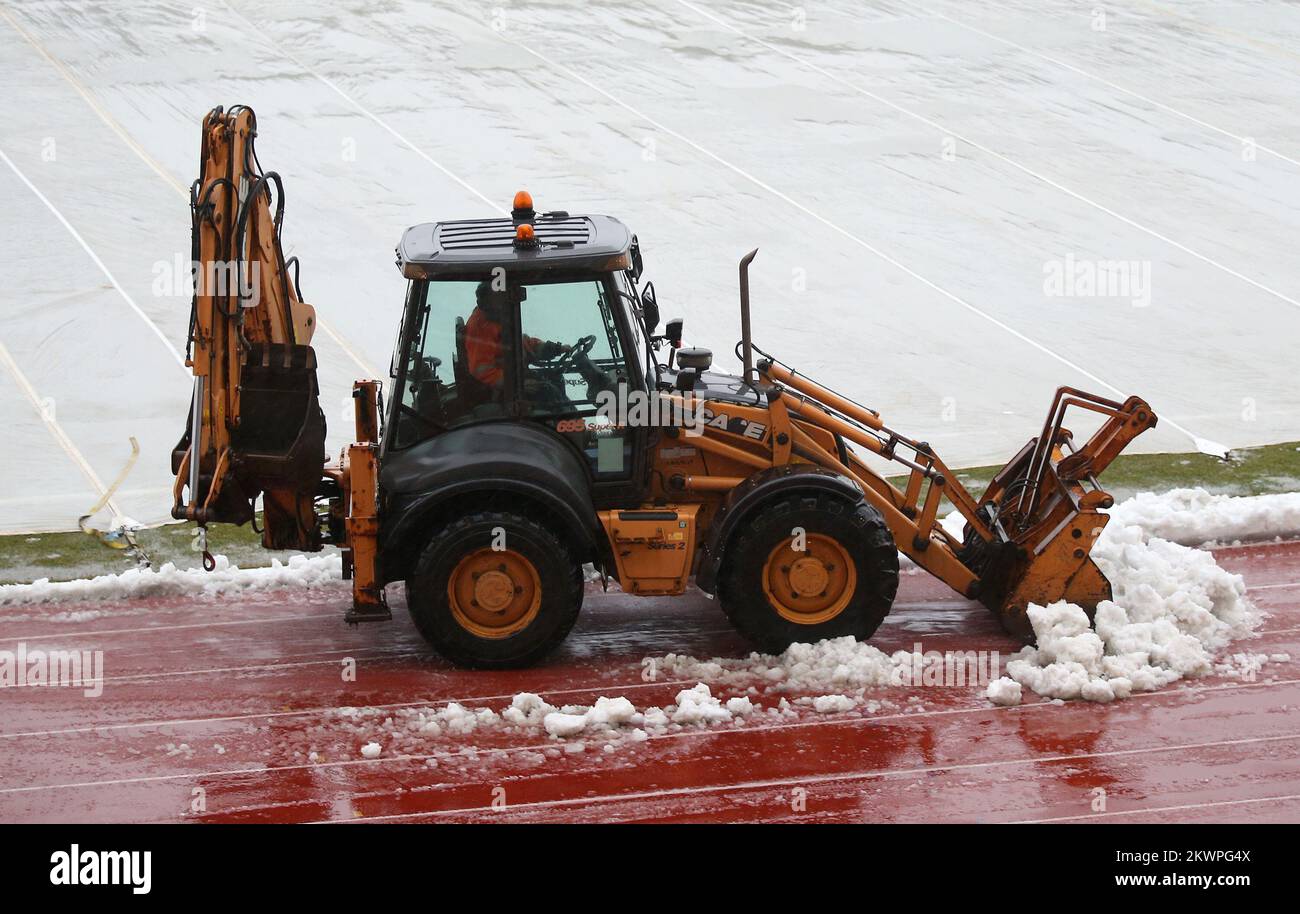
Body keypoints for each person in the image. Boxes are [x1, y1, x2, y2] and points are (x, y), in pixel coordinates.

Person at [464, 281, 569, 400]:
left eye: (503, 297)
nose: (502, 303)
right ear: (484, 303)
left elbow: (520, 342)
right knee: (550, 393)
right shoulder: (481, 328)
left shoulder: (499, 318)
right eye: (497, 299)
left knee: (556, 377)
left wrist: (553, 348)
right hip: (502, 390)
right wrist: (516, 384)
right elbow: (481, 370)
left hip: (514, 375)